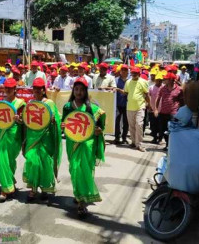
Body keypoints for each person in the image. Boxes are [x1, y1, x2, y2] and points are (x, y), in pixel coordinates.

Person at [61, 77, 106, 216]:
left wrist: (99, 130)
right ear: (73, 90)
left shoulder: (91, 107)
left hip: (87, 143)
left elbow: (101, 122)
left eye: (81, 90)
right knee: (74, 169)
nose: (78, 92)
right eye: (76, 89)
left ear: (86, 91)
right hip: (72, 142)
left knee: (83, 169)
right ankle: (79, 193)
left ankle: (81, 201)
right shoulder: (68, 107)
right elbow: (64, 124)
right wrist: (62, 126)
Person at [23, 78, 62, 202]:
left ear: (43, 90)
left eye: (39, 88)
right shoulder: (30, 103)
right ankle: (33, 188)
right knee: (32, 161)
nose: (37, 91)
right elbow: (26, 120)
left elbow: (57, 120)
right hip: (33, 137)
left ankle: (45, 188)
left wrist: (54, 121)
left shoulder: (49, 103)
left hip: (46, 138)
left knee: (45, 163)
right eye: (34, 88)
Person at [0, 78, 26, 202]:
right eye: (6, 88)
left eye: (10, 88)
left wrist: (20, 120)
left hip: (14, 135)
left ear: (15, 90)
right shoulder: (0, 103)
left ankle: (8, 183)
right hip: (1, 134)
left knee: (10, 160)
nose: (7, 90)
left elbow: (25, 121)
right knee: (1, 161)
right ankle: (6, 187)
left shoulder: (20, 103)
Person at [123, 67, 150, 152]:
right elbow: (126, 92)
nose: (133, 75)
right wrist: (115, 89)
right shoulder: (128, 82)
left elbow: (146, 94)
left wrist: (149, 104)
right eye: (132, 73)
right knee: (131, 126)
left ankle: (140, 144)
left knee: (139, 125)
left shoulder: (143, 82)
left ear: (139, 74)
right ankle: (134, 142)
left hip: (140, 107)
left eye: (135, 73)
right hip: (129, 107)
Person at [155, 72, 184, 151]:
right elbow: (158, 99)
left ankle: (171, 145)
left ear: (171, 80)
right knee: (164, 130)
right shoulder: (162, 88)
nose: (164, 80)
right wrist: (156, 109)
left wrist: (181, 112)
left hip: (173, 113)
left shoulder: (179, 89)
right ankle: (168, 144)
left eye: (166, 79)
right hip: (163, 113)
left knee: (172, 130)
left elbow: (182, 101)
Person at [114, 64, 129, 144]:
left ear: (127, 72)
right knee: (117, 121)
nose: (123, 71)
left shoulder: (130, 81)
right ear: (120, 71)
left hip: (127, 104)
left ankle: (124, 137)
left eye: (125, 70)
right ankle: (117, 137)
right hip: (117, 104)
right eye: (122, 70)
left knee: (126, 122)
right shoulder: (115, 80)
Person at [148, 71, 163, 144]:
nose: (159, 82)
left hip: (162, 110)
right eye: (157, 80)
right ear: (155, 80)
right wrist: (149, 105)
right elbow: (148, 97)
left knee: (160, 125)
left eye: (160, 80)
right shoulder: (151, 87)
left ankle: (160, 139)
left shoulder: (164, 88)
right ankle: (154, 138)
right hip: (152, 109)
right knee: (153, 125)